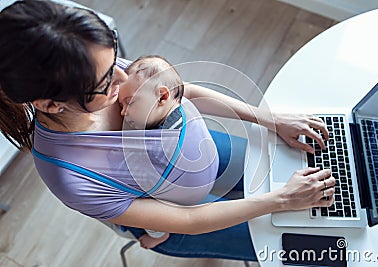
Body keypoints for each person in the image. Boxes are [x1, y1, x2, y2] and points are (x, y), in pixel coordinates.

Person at [0, 0, 335, 262]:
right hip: (183, 218)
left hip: (198, 149)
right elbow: (189, 221)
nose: (122, 76)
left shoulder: (95, 67)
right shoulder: (70, 176)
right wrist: (281, 200)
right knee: (308, 247)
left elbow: (180, 91)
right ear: (52, 104)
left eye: (115, 59)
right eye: (105, 82)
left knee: (307, 179)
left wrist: (270, 120)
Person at [118, 55, 219, 248]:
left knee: (146, 202)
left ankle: (159, 235)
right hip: (210, 162)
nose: (123, 112)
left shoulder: (158, 148)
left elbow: (138, 176)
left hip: (183, 197)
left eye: (129, 103)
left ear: (163, 96)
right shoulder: (182, 105)